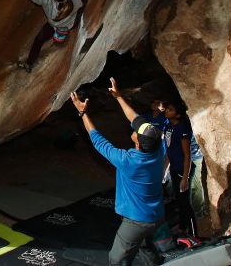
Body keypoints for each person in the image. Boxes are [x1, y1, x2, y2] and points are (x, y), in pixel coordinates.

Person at [70, 78, 165, 265]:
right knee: (145, 248)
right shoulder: (158, 148)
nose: (136, 126)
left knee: (116, 259)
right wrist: (119, 96)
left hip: (137, 221)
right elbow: (135, 118)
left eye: (137, 131)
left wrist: (83, 113)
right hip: (156, 215)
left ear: (137, 141)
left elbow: (98, 141)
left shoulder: (128, 162)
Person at [0, 0, 89, 72]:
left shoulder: (46, 0)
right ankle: (64, 30)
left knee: (38, 41)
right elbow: (78, 2)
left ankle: (28, 64)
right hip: (71, 24)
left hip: (53, 25)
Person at [163, 100, 198, 238]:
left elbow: (187, 154)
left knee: (185, 202)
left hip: (183, 169)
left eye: (170, 109)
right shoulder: (168, 128)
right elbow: (169, 150)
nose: (166, 111)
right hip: (174, 168)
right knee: (178, 199)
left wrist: (185, 177)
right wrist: (165, 170)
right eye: (167, 109)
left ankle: (194, 232)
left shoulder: (182, 129)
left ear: (177, 115)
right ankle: (183, 226)